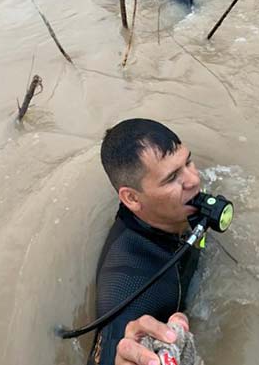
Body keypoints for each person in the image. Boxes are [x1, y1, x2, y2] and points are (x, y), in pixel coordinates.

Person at [88, 118, 202, 365]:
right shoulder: (127, 290)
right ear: (131, 198)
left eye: (189, 162)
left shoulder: (181, 206)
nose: (193, 180)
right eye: (172, 177)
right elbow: (113, 351)